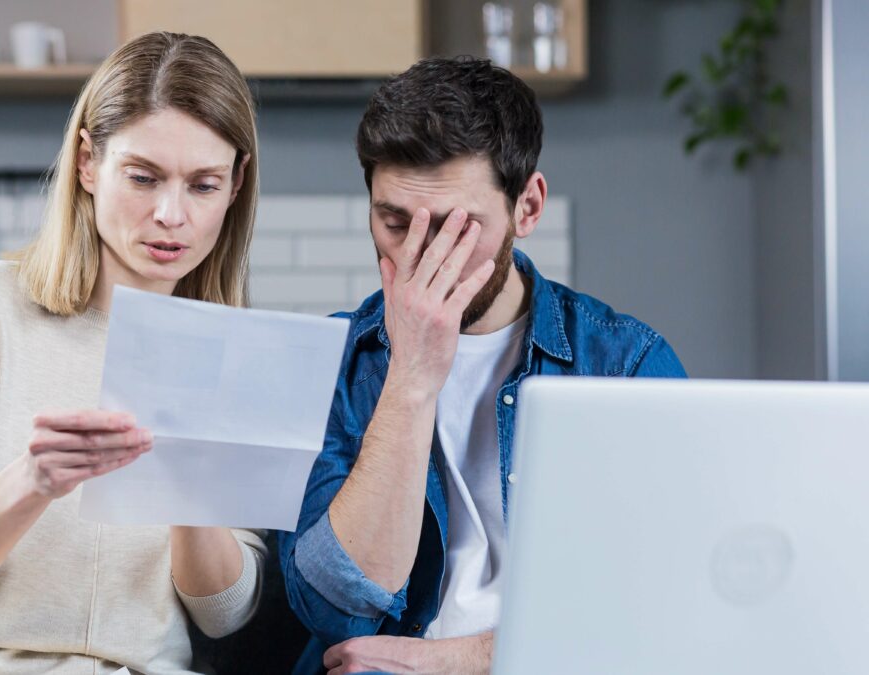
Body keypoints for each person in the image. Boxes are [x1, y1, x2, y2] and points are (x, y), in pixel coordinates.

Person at [280, 56, 688, 675]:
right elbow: (330, 609)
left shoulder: (624, 364)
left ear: (528, 207)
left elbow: (664, 603)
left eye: (457, 229)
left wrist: (459, 662)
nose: (422, 257)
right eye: (394, 224)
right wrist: (411, 379)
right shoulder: (333, 361)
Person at [0, 32, 264, 674]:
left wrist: (189, 493)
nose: (172, 215)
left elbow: (223, 614)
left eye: (203, 185)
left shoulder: (237, 356)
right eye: (144, 178)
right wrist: (32, 482)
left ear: (235, 187)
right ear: (88, 162)